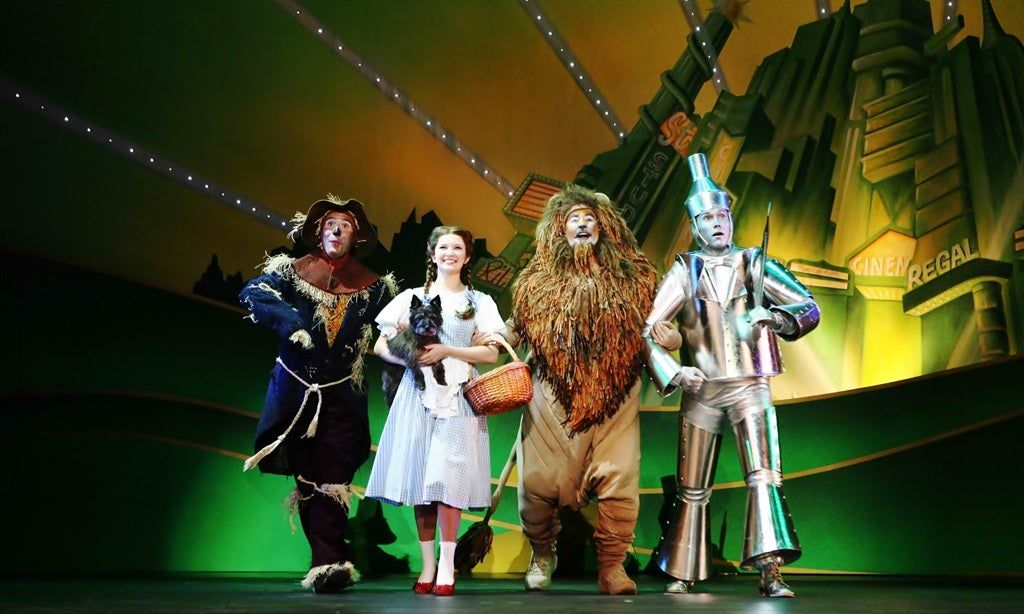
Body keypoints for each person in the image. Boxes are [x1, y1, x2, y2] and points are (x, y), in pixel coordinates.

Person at [643, 153, 820, 598]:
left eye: (722, 215)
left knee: (764, 476)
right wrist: (675, 371)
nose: (718, 223)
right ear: (695, 225)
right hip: (701, 389)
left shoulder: (754, 262)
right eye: (708, 218)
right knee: (692, 486)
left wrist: (776, 318)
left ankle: (770, 570)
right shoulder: (684, 269)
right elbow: (648, 329)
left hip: (751, 386)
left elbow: (808, 306)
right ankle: (683, 567)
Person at [480, 185, 657, 595]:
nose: (581, 224)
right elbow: (516, 328)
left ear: (604, 227)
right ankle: (543, 554)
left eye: (589, 218)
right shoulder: (536, 281)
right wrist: (497, 337)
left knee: (620, 481)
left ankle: (612, 566)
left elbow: (657, 329)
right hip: (551, 398)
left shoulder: (635, 277)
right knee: (536, 486)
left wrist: (669, 339)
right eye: (573, 218)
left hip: (615, 399)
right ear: (559, 229)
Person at [239, 195, 397, 593]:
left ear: (356, 238)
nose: (337, 231)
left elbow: (396, 326)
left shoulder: (374, 288)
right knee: (307, 474)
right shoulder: (291, 273)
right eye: (330, 225)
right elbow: (254, 291)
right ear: (318, 232)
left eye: (345, 227)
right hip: (297, 394)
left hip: (342, 394)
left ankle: (329, 562)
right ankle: (324, 560)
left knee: (335, 474)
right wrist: (290, 323)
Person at [366, 226, 507, 597]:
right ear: (432, 254)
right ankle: (427, 564)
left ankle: (447, 565)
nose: (450, 253)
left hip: (458, 397)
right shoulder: (412, 297)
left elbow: (491, 353)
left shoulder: (479, 302)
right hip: (416, 395)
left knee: (448, 479)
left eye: (457, 247)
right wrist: (413, 358)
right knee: (422, 480)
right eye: (443, 247)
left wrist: (449, 351)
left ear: (467, 256)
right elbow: (380, 345)